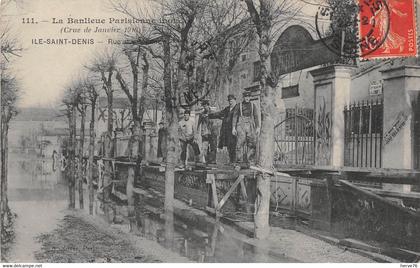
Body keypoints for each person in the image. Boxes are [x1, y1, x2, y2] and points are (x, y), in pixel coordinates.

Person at [209, 94, 239, 163]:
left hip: (235, 130)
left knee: (234, 145)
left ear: (235, 100)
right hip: (226, 130)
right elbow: (219, 113)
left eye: (231, 101)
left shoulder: (237, 108)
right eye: (229, 101)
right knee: (228, 145)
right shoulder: (227, 109)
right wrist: (209, 115)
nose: (230, 102)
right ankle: (231, 161)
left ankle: (234, 161)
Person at [232, 91, 260, 163]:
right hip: (241, 126)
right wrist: (233, 128)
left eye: (248, 97)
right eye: (245, 97)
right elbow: (234, 117)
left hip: (250, 126)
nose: (247, 98)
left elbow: (256, 117)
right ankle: (239, 161)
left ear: (250, 97)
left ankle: (250, 160)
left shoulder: (253, 106)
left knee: (252, 143)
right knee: (240, 143)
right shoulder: (239, 105)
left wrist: (257, 127)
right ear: (243, 97)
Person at [197, 100, 217, 164]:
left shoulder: (213, 112)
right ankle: (206, 160)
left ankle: (213, 160)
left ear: (208, 105)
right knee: (205, 148)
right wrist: (197, 131)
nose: (205, 107)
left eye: (206, 106)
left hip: (212, 132)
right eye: (204, 106)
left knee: (213, 147)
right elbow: (198, 123)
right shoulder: (201, 114)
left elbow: (217, 122)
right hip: (205, 133)